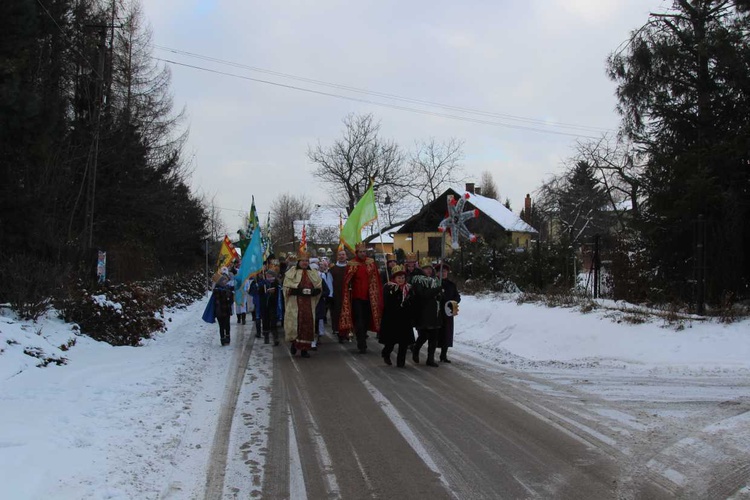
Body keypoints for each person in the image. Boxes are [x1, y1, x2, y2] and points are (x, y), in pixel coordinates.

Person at [339, 242, 383, 353]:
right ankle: (361, 343)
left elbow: (375, 279)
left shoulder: (371, 263)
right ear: (357, 252)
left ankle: (363, 336)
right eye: (361, 252)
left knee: (367, 319)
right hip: (356, 297)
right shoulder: (352, 264)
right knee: (359, 320)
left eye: (364, 252)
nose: (363, 254)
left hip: (369, 297)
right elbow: (347, 279)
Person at [283, 251, 323, 358]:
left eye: (307, 261)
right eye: (303, 261)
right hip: (295, 303)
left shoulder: (313, 273)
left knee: (307, 325)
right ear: (298, 261)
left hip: (309, 304)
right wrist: (298, 291)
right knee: (297, 324)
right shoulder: (292, 272)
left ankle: (305, 349)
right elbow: (286, 288)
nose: (305, 263)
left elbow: (319, 287)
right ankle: (294, 344)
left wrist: (315, 292)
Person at [379, 265, 414, 367]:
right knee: (391, 341)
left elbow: (413, 301)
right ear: (394, 278)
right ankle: (386, 353)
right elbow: (387, 302)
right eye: (399, 278)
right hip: (392, 318)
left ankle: (401, 362)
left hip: (405, 318)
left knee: (404, 341)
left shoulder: (408, 288)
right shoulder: (389, 287)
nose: (401, 280)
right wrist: (395, 293)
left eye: (403, 278)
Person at [411, 258, 442, 367]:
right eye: (425, 269)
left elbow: (438, 296)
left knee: (434, 336)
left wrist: (439, 295)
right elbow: (423, 294)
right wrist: (436, 290)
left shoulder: (435, 280)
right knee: (423, 335)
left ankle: (430, 358)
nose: (428, 271)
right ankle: (416, 349)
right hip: (422, 310)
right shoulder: (417, 280)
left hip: (434, 311)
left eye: (429, 269)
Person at [437, 261, 460, 363]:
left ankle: (443, 355)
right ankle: (431, 354)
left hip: (448, 312)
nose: (443, 273)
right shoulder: (435, 283)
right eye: (441, 271)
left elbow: (457, 296)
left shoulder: (451, 285)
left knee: (447, 334)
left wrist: (453, 302)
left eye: (445, 271)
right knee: (436, 334)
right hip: (437, 312)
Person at [329, 248, 349, 343]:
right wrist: (331, 295)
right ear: (337, 257)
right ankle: (340, 333)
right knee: (338, 314)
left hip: (349, 294)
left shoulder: (350, 268)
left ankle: (349, 332)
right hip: (337, 295)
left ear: (346, 256)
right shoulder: (333, 269)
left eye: (343, 254)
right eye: (340, 255)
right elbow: (330, 283)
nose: (341, 256)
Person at [212, 272, 235, 346]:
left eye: (226, 280)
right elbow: (219, 296)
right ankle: (222, 338)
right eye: (224, 280)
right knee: (221, 325)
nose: (226, 282)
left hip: (226, 310)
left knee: (227, 324)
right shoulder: (217, 290)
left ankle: (227, 337)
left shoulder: (227, 288)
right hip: (220, 310)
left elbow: (231, 298)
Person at [261, 269, 282, 346]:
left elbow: (279, 295)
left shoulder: (276, 283)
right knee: (265, 322)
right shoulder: (263, 283)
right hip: (265, 306)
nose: (267, 276)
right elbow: (259, 292)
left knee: (273, 323)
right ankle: (266, 337)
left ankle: (275, 338)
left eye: (269, 275)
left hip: (273, 306)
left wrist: (273, 292)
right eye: (266, 275)